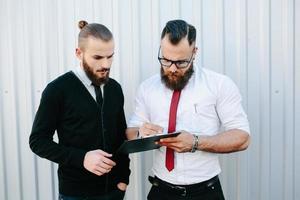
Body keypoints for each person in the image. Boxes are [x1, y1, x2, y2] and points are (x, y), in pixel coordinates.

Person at [126, 19, 250, 200]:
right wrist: (140, 133)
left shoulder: (219, 85)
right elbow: (131, 132)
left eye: (181, 62)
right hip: (161, 191)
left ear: (194, 53)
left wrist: (196, 142)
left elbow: (242, 138)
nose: (172, 69)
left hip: (205, 192)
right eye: (166, 60)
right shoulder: (147, 88)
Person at [29, 20, 130, 200]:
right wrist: (81, 158)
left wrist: (123, 179)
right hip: (76, 194)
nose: (106, 64)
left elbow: (120, 136)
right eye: (97, 57)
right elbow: (38, 141)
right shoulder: (58, 90)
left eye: (110, 56)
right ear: (78, 53)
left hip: (115, 191)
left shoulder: (115, 88)